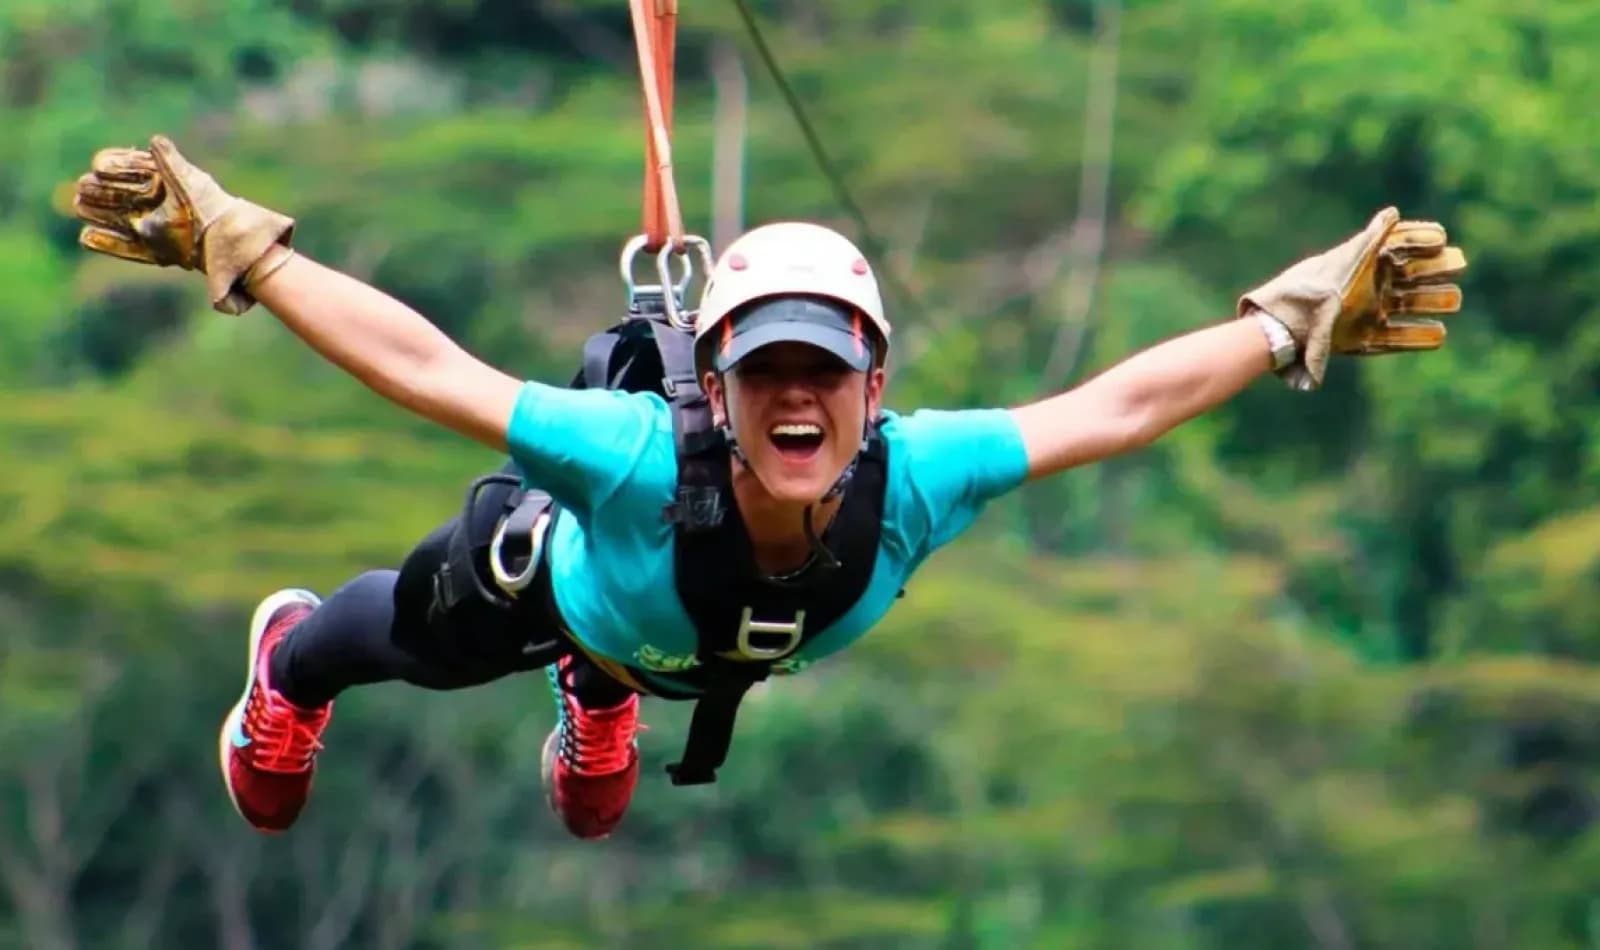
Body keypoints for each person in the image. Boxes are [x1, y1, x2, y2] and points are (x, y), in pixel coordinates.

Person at [69, 135, 1467, 840]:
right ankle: (287, 668)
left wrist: (1285, 322)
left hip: (671, 637)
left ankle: (604, 693)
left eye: (825, 372)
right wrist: (250, 250)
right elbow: (428, 368)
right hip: (578, 578)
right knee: (439, 617)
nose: (797, 399)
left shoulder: (919, 475)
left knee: (631, 682)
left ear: (874, 385)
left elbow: (1114, 406)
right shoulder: (630, 455)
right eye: (764, 373)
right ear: (717, 390)